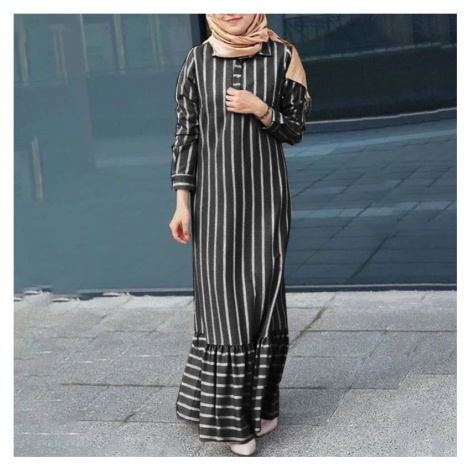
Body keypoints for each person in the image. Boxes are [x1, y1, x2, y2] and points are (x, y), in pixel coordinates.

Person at [168, 13, 311, 456]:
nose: (231, 10)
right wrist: (182, 203)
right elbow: (186, 134)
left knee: (263, 298)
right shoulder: (197, 60)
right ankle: (234, 424)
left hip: (266, 200)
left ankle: (263, 406)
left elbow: (295, 130)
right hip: (213, 204)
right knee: (223, 305)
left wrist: (261, 109)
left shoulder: (282, 57)